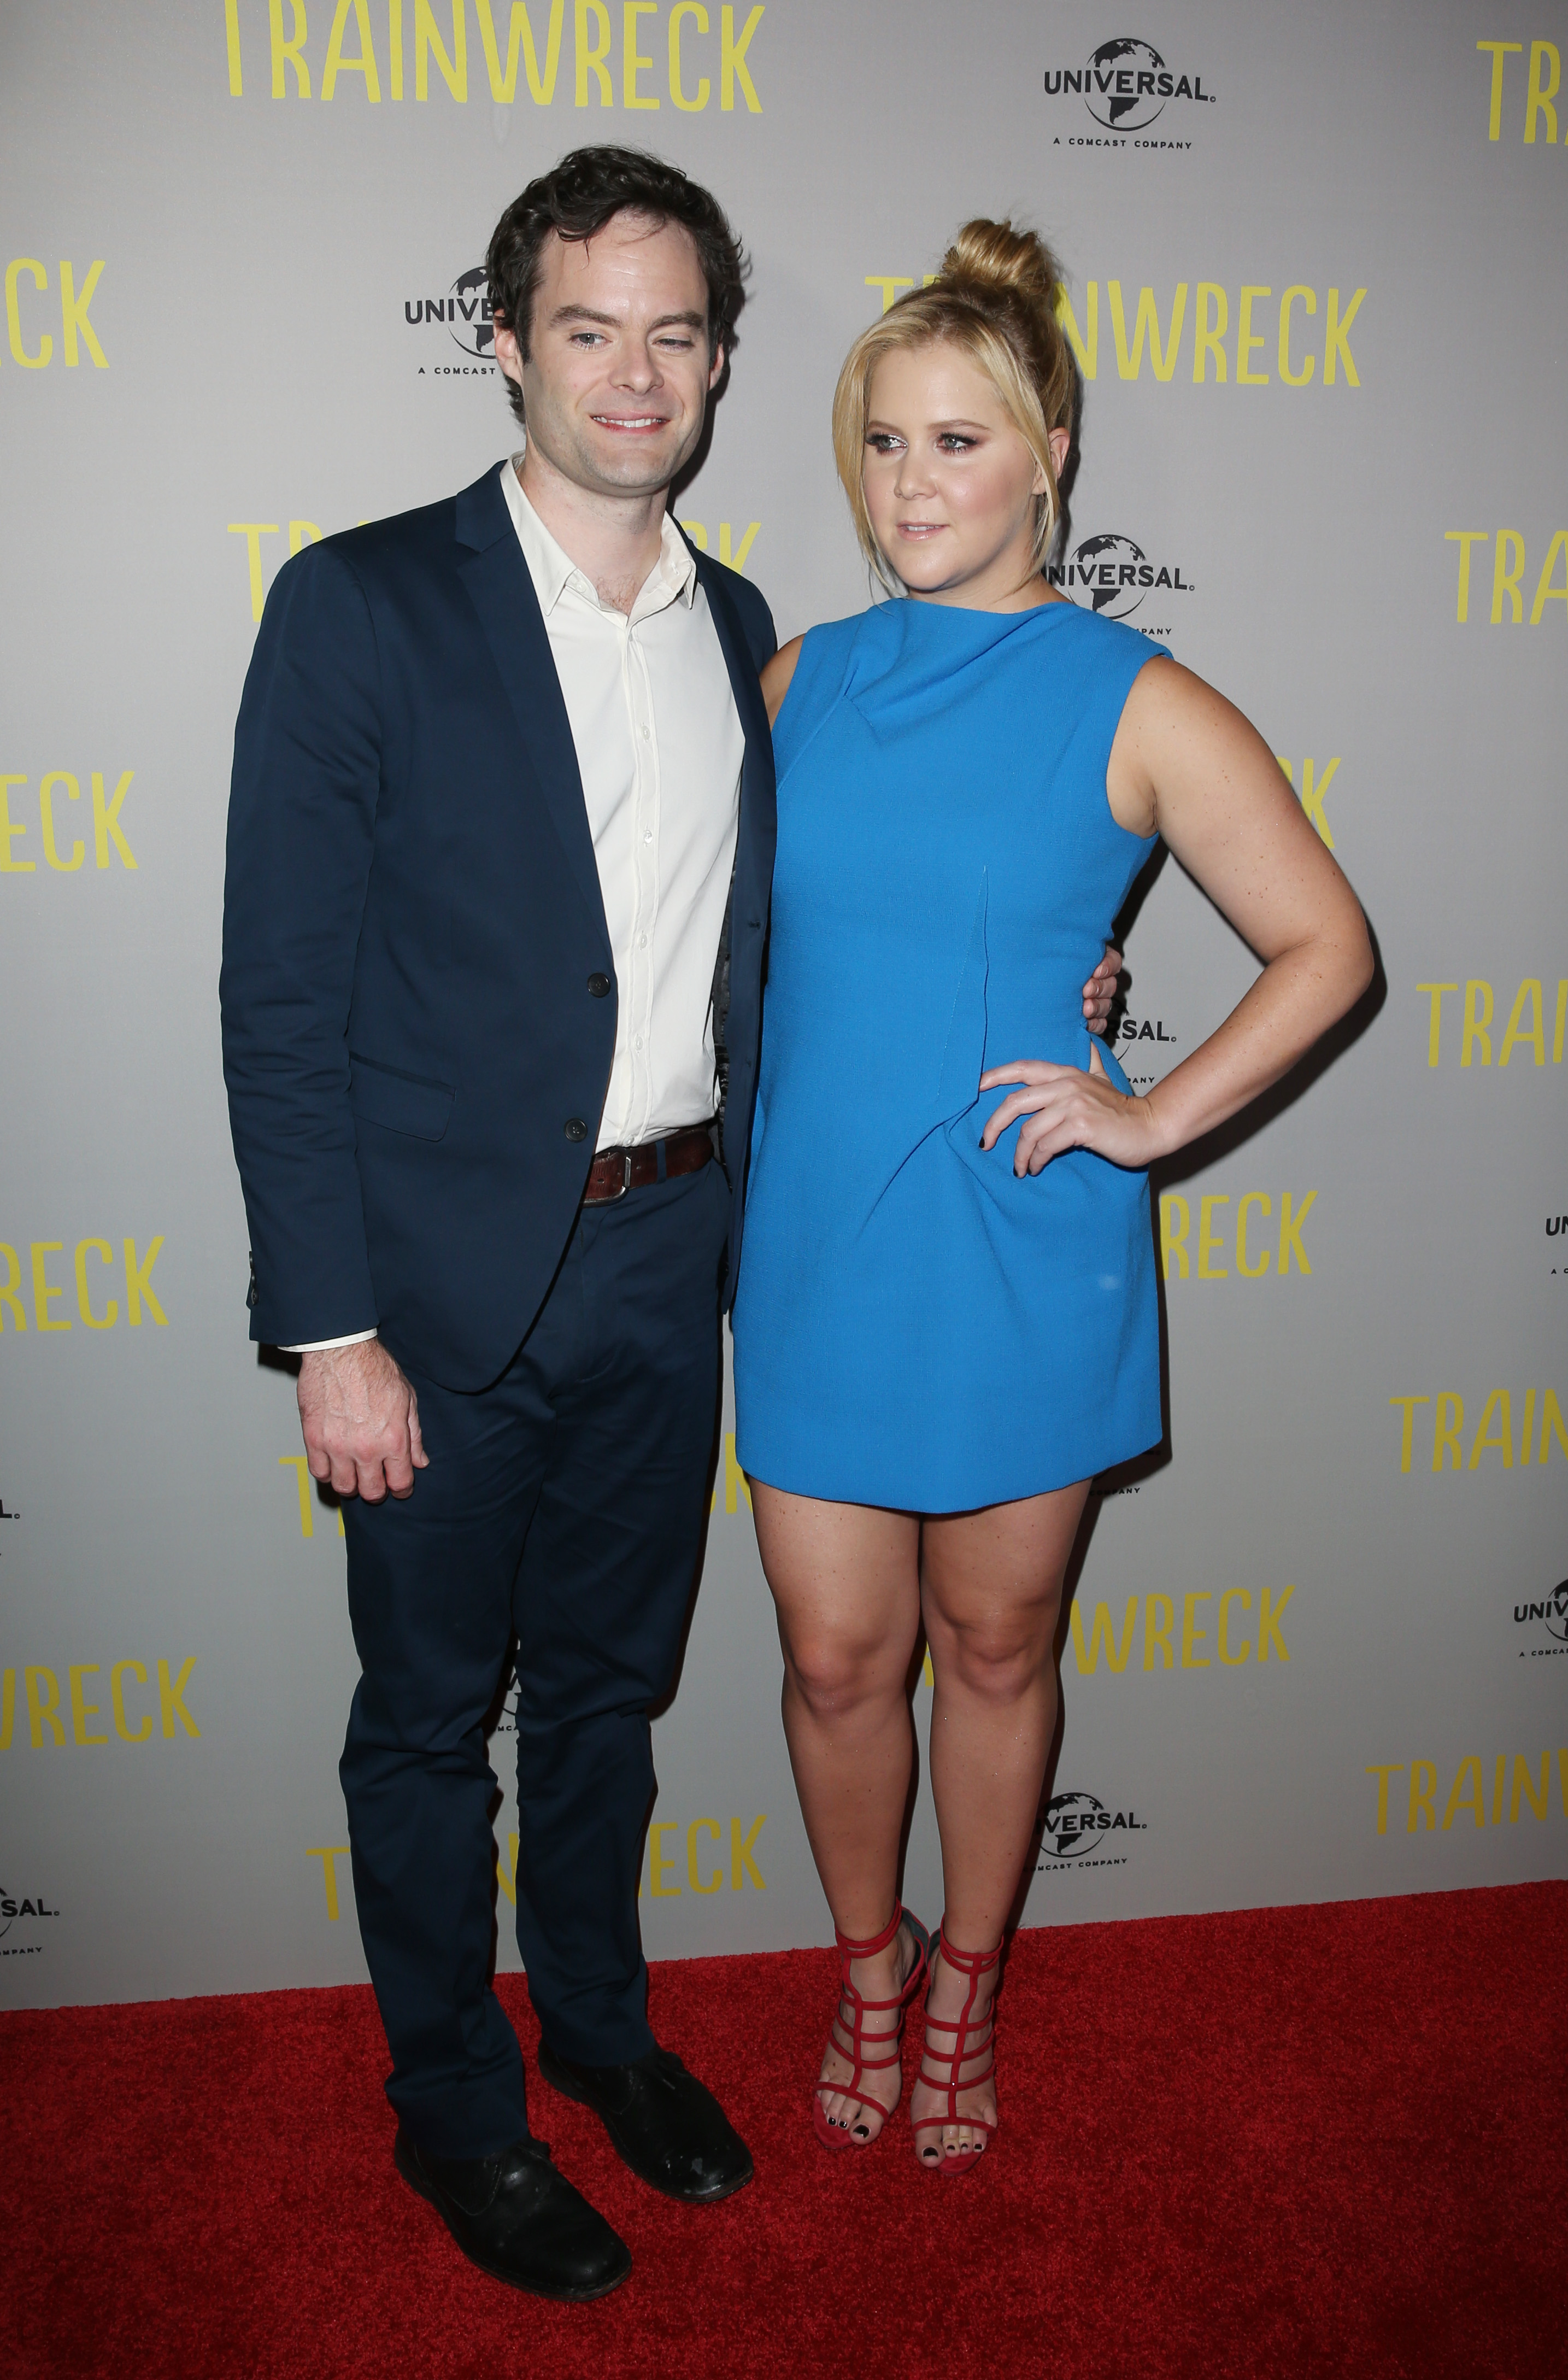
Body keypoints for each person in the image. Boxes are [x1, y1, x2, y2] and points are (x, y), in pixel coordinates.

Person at [222, 146, 1121, 2297]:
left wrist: (1059, 990)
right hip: (430, 1291)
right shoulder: (362, 601)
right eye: (587, 328)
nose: (634, 374)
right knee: (428, 1723)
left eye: (676, 333)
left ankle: (602, 2034)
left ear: (720, 363)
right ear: (507, 342)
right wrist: (329, 1327)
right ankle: (459, 2111)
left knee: (605, 1702)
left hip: (676, 1256)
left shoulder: (747, 638)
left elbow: (858, 910)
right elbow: (281, 998)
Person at [732, 220, 1373, 2176]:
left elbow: (1328, 946)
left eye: (957, 442)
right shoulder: (796, 680)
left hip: (1020, 1235)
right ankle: (867, 1966)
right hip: (820, 1237)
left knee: (998, 1649)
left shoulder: (1136, 696)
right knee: (835, 1657)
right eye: (884, 444)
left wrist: (1150, 1111)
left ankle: (968, 1985)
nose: (913, 484)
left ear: (1049, 455)